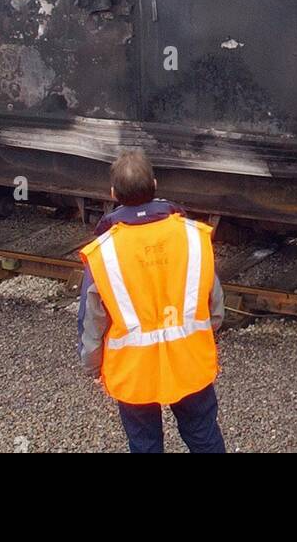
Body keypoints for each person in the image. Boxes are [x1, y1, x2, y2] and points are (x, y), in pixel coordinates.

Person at [77, 149, 226, 453]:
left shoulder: (103, 252)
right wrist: (200, 337)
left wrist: (92, 365)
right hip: (189, 361)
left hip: (134, 372)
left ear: (113, 193)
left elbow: (92, 319)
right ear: (155, 185)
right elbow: (215, 307)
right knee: (203, 435)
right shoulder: (193, 238)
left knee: (144, 444)